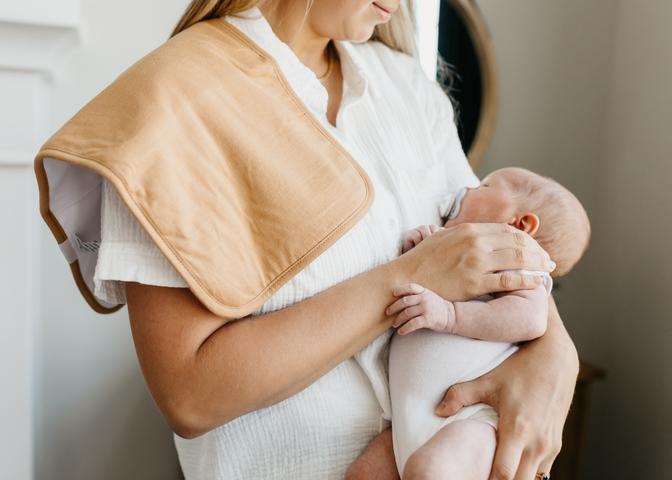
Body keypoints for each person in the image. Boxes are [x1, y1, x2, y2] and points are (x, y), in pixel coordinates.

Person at [92, 2, 579, 479]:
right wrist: (409, 277)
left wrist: (556, 355)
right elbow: (189, 397)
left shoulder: (407, 88)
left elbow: (500, 251)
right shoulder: (175, 101)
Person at [346, 167, 590, 479]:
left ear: (520, 225)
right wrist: (422, 248)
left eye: (484, 185)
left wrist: (449, 315)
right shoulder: (457, 251)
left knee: (430, 471)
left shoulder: (520, 269)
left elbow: (529, 320)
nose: (467, 190)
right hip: (412, 423)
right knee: (362, 474)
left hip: (471, 420)